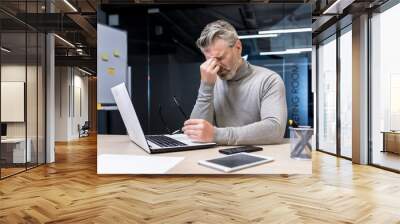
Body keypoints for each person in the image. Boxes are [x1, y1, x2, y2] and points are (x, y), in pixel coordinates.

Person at [182, 20, 287, 145]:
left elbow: (275, 130)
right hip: (216, 158)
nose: (216, 66)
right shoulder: (211, 80)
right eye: (209, 60)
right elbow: (196, 134)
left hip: (260, 159)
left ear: (238, 47)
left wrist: (216, 135)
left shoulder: (269, 80)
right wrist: (206, 87)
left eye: (220, 58)